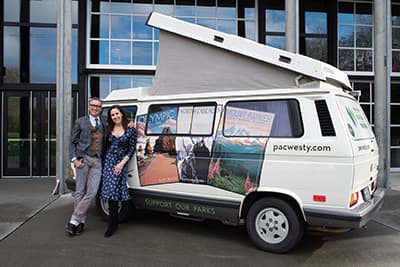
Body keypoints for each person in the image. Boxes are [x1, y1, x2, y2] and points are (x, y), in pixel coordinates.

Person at [66, 97, 106, 236]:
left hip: (97, 161)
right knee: (80, 191)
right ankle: (80, 221)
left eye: (98, 106)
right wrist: (74, 159)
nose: (95, 108)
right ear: (89, 107)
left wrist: (129, 123)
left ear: (101, 109)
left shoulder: (104, 121)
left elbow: (120, 123)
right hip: (82, 159)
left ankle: (74, 219)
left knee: (93, 192)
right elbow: (72, 142)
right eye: (93, 105)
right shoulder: (80, 121)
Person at [100, 105, 136, 237]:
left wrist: (121, 164)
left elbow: (131, 149)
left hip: (121, 161)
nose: (115, 116)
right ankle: (112, 222)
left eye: (117, 114)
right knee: (110, 189)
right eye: (113, 115)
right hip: (108, 161)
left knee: (114, 188)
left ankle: (113, 222)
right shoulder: (108, 128)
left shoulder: (131, 129)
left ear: (122, 114)